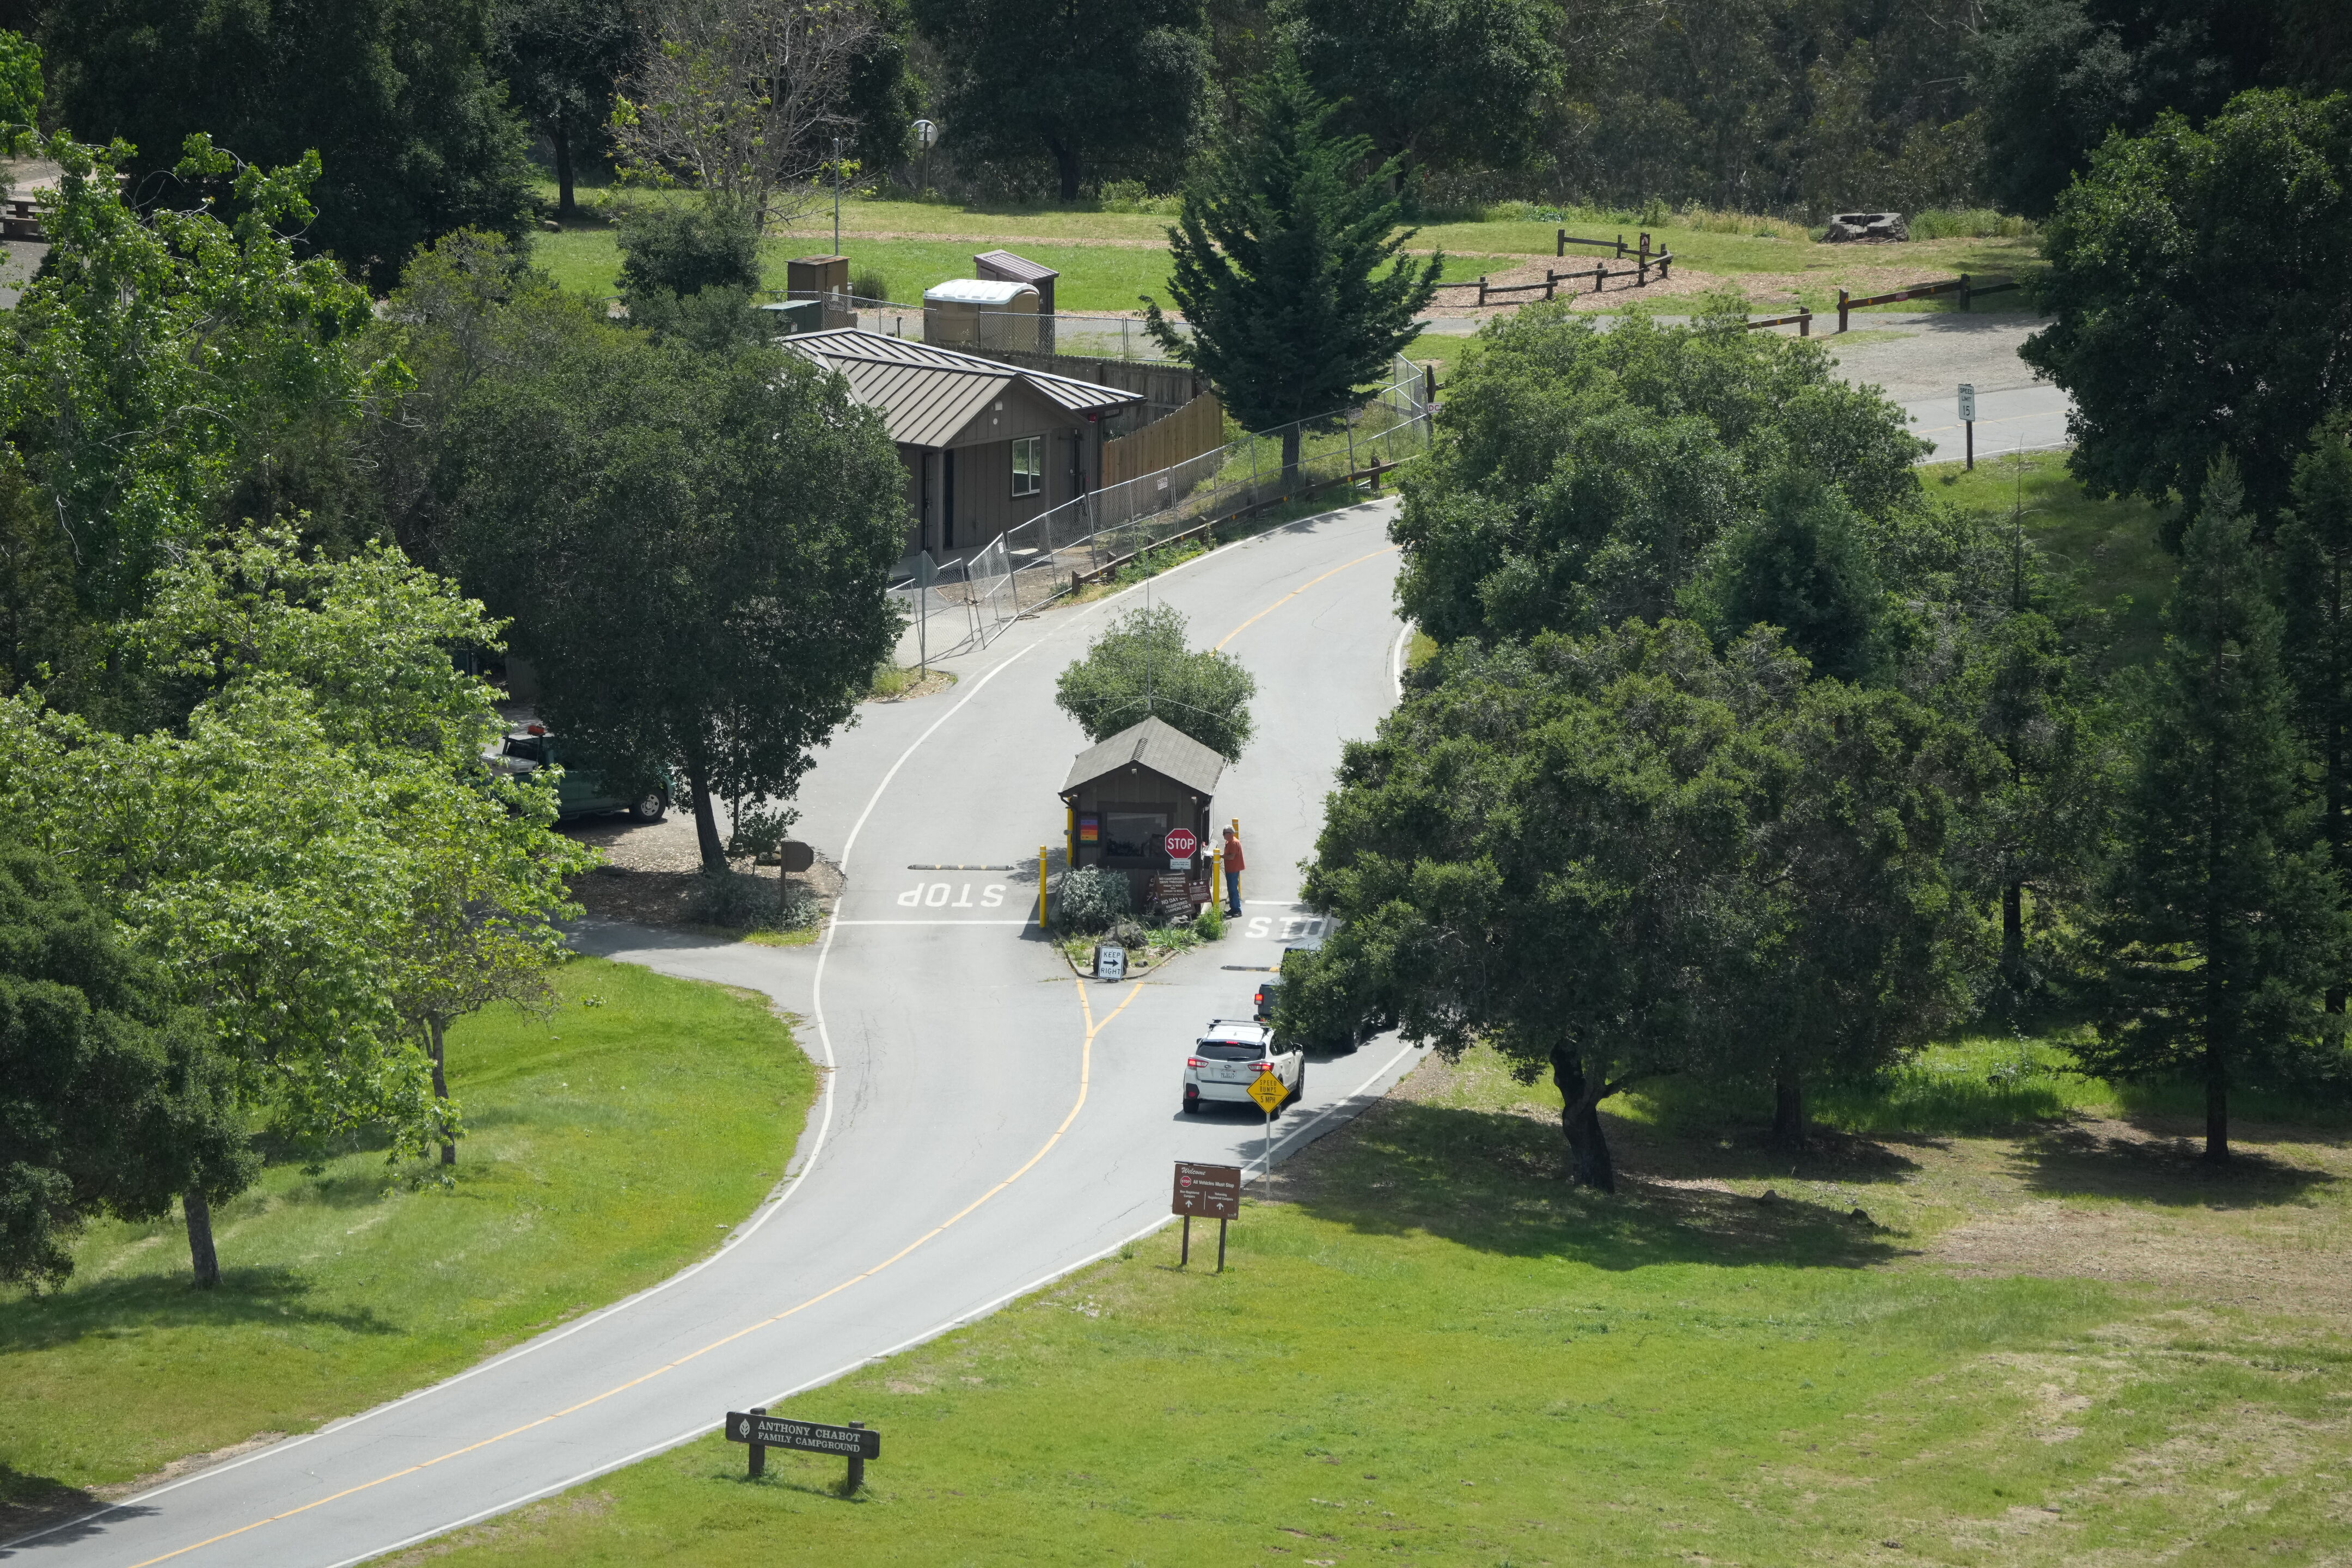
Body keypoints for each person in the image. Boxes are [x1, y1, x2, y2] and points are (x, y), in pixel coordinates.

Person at [1221, 825, 1244, 917]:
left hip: (1233, 869)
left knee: (1234, 889)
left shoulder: (1234, 843)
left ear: (1230, 834)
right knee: (1231, 889)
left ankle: (1237, 910)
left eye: (1224, 833)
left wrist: (1220, 856)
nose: (1223, 835)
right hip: (1230, 869)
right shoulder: (1229, 842)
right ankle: (1233, 908)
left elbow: (1231, 857)